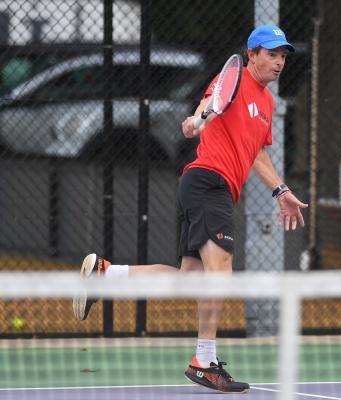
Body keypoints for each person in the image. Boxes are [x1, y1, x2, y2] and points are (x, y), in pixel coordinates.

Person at [72, 24, 308, 394]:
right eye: (272, 54)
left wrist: (281, 190)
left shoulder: (266, 103)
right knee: (221, 273)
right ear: (252, 55)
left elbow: (256, 150)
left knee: (193, 279)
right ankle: (204, 361)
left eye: (283, 56)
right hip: (208, 182)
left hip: (210, 188)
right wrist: (197, 120)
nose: (279, 63)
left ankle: (106, 274)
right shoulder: (233, 79)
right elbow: (210, 104)